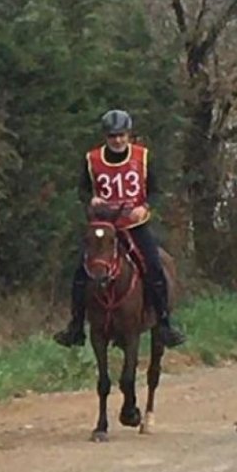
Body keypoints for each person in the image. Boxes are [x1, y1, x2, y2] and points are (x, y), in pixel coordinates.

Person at [52, 109, 186, 348]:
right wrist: (90, 201)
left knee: (155, 267)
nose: (118, 140)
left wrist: (145, 208)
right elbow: (82, 190)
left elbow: (156, 190)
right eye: (113, 136)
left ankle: (164, 323)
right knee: (81, 271)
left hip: (134, 224)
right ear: (106, 136)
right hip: (104, 226)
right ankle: (76, 325)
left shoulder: (142, 157)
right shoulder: (92, 159)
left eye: (122, 135)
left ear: (129, 135)